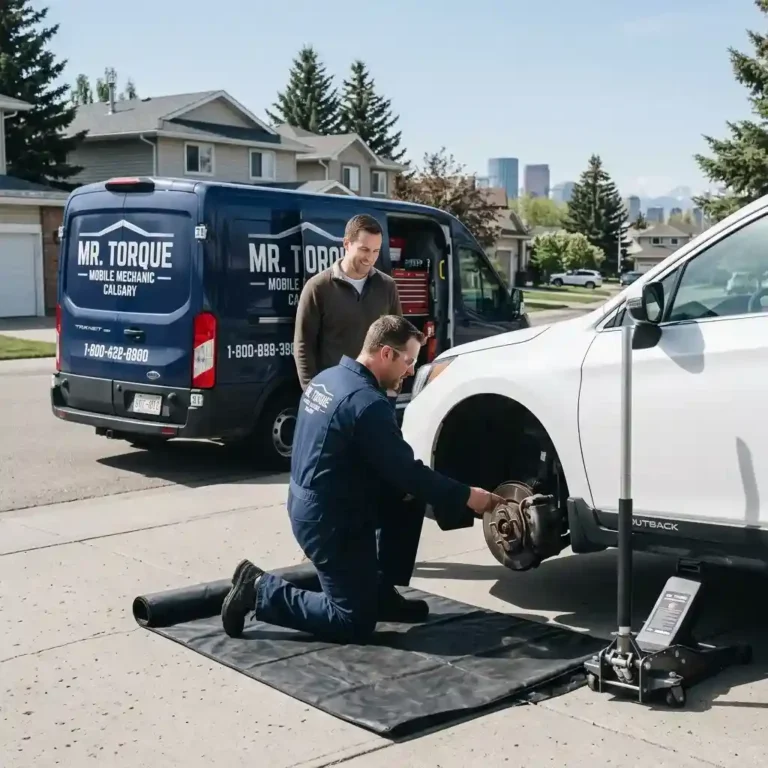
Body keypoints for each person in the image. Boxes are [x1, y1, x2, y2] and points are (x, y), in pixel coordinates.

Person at [221, 315, 504, 644]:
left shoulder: (329, 379)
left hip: (314, 502)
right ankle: (258, 590)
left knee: (407, 499)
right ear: (386, 354)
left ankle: (380, 593)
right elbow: (408, 471)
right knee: (352, 621)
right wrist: (471, 497)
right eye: (409, 361)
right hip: (329, 523)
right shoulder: (366, 404)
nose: (411, 370)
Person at [293, 213, 403, 393]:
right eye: (364, 249)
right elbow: (304, 345)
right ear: (346, 244)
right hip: (333, 394)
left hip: (376, 393)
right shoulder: (318, 287)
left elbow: (398, 340)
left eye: (376, 251)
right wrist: (312, 391)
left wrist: (394, 388)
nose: (370, 258)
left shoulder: (387, 286)